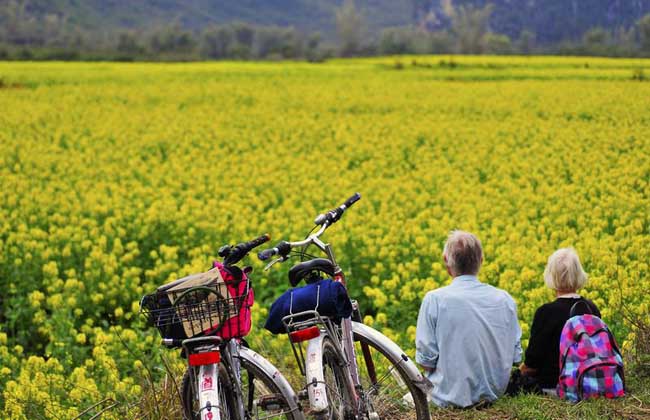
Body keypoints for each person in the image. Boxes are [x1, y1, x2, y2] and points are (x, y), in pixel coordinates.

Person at [415, 230, 522, 408]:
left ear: (445, 261)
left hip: (446, 399)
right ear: (481, 260)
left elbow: (426, 362)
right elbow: (516, 358)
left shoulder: (435, 299)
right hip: (496, 396)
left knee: (411, 389)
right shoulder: (505, 300)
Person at [519, 248, 600, 394]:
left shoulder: (546, 312)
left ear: (551, 276)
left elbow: (532, 364)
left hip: (554, 386)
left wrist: (518, 373)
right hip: (589, 383)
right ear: (579, 274)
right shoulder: (591, 309)